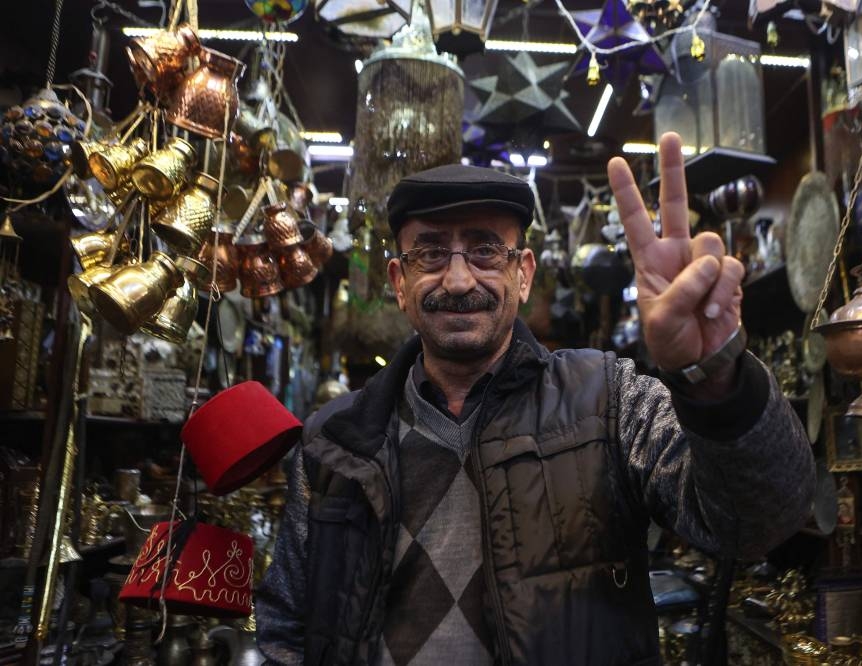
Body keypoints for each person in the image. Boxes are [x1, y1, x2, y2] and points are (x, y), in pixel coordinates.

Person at [256, 133, 815, 665]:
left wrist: (715, 377)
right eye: (430, 254)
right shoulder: (334, 441)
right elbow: (287, 626)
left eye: (483, 250)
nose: (456, 280)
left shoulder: (607, 400)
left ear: (522, 274)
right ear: (399, 282)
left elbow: (757, 523)